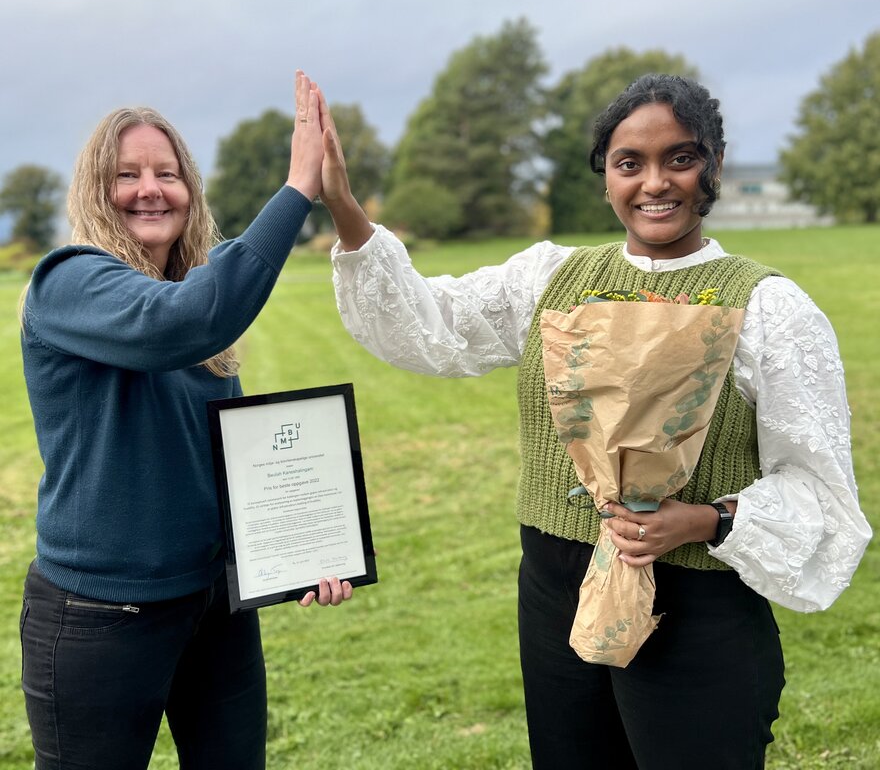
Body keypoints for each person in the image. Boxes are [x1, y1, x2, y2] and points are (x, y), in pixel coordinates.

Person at [317, 74, 871, 769]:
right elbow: (431, 327)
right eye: (628, 163)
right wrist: (341, 201)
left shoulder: (770, 308)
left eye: (680, 157)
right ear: (605, 176)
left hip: (693, 606)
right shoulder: (549, 277)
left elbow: (820, 488)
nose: (654, 183)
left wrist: (705, 520)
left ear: (715, 166)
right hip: (555, 596)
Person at [19, 71, 353, 770]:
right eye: (127, 174)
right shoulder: (68, 282)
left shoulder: (198, 307)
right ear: (93, 191)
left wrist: (301, 553)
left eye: (167, 173)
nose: (150, 189)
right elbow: (183, 322)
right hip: (101, 616)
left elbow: (227, 466)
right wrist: (298, 186)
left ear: (189, 190)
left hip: (214, 608)